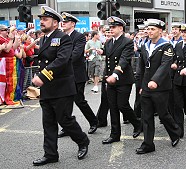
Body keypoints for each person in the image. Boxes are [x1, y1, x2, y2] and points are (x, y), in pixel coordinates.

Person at [31, 6, 89, 166]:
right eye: (41, 19)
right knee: (48, 123)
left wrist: (42, 76)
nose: (41, 22)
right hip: (47, 88)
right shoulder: (43, 38)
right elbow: (42, 61)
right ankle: (50, 154)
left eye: (45, 19)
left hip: (62, 88)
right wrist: (38, 73)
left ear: (55, 23)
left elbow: (62, 60)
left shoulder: (63, 38)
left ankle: (83, 140)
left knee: (65, 120)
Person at [136, 19, 181, 154]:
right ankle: (148, 144)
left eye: (153, 29)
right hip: (147, 86)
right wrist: (142, 85)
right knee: (147, 115)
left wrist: (155, 80)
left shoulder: (166, 46)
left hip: (160, 86)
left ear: (160, 31)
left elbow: (165, 65)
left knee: (163, 114)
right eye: (148, 29)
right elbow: (143, 67)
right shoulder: (144, 45)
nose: (149, 31)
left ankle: (175, 132)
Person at [57, 12, 98, 138]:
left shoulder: (79, 36)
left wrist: (60, 61)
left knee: (79, 101)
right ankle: (67, 127)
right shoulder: (61, 36)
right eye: (62, 22)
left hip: (76, 75)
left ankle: (93, 122)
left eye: (66, 22)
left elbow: (75, 55)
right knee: (65, 102)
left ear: (73, 24)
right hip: (64, 75)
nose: (63, 24)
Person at [101, 16, 141, 144]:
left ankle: (137, 123)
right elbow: (108, 57)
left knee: (122, 105)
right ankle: (115, 134)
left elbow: (124, 60)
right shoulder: (108, 42)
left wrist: (115, 74)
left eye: (113, 27)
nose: (110, 29)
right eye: (110, 27)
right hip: (110, 79)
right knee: (112, 107)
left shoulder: (127, 42)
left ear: (121, 28)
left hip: (123, 79)